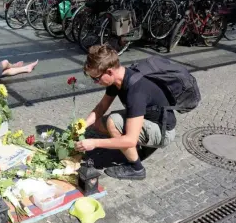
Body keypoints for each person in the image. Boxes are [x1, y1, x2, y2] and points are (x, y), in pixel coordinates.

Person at [75, 45, 176, 180]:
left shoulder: (136, 92)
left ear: (109, 72)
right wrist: (84, 125)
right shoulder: (118, 80)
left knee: (113, 122)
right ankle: (138, 148)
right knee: (98, 123)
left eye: (96, 78)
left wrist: (94, 143)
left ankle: (136, 168)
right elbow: (101, 106)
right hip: (147, 118)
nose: (95, 82)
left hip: (163, 131)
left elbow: (130, 140)